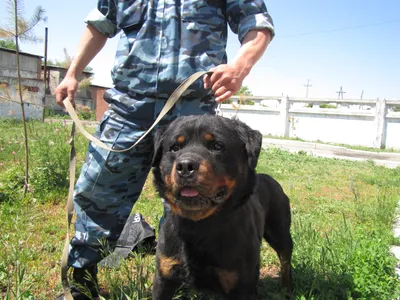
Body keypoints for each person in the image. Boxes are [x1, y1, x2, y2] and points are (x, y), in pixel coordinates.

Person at [55, 1, 274, 299]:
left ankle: (185, 272)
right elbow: (100, 24)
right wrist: (72, 72)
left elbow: (257, 22)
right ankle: (82, 278)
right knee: (97, 192)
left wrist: (240, 66)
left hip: (192, 106)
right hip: (129, 107)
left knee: (194, 195)